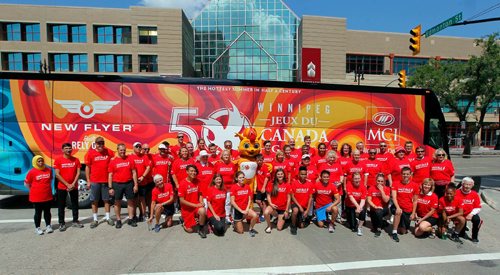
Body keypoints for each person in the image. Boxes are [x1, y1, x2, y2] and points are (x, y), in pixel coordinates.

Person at [85, 136, 115, 228]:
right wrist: (88, 181)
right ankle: (95, 219)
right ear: (95, 144)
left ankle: (107, 217)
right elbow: (87, 167)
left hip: (106, 181)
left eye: (102, 143)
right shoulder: (90, 153)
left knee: (106, 200)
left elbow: (114, 161)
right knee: (94, 201)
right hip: (95, 181)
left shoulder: (109, 152)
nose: (101, 145)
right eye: (99, 143)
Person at [108, 143, 139, 228]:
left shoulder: (130, 159)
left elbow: (134, 172)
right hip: (117, 184)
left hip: (129, 183)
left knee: (130, 202)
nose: (123, 152)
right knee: (117, 202)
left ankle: (131, 219)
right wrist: (110, 187)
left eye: (124, 150)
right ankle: (118, 220)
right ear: (117, 150)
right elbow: (110, 175)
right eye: (121, 150)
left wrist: (135, 184)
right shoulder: (113, 161)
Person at [54, 143, 83, 231]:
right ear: (62, 150)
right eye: (66, 148)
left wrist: (73, 183)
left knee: (75, 204)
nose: (68, 150)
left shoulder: (76, 160)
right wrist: (67, 184)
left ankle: (75, 221)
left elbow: (78, 173)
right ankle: (62, 223)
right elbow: (57, 174)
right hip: (62, 186)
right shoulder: (58, 160)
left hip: (74, 186)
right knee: (61, 205)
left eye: (70, 148)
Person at [25, 155, 53, 235]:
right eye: (39, 161)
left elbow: (50, 180)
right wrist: (32, 190)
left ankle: (48, 226)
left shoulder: (48, 170)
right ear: (35, 162)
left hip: (47, 195)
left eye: (42, 161)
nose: (41, 163)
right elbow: (26, 184)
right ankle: (37, 228)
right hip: (36, 197)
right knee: (38, 212)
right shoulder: (32, 172)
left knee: (47, 212)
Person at [178, 165, 207, 238]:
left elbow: (200, 193)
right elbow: (181, 201)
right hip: (186, 209)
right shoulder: (182, 183)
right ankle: (183, 221)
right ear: (187, 172)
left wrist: (201, 202)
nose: (193, 173)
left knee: (203, 211)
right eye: (191, 171)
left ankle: (201, 228)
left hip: (196, 207)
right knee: (190, 230)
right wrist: (196, 205)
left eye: (194, 171)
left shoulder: (197, 181)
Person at [391, 167, 419, 242]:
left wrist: (413, 213)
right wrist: (397, 207)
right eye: (403, 174)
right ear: (401, 174)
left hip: (408, 209)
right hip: (398, 207)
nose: (405, 175)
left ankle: (400, 225)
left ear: (410, 175)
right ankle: (394, 232)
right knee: (398, 212)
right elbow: (394, 197)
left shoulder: (415, 185)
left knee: (403, 231)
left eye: (407, 174)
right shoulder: (395, 183)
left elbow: (415, 201)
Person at [264, 169, 292, 233]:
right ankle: (269, 226)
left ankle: (281, 217)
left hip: (283, 208)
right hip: (274, 206)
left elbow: (289, 198)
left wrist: (287, 210)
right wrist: (271, 204)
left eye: (281, 174)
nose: (280, 175)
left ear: (284, 175)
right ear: (276, 175)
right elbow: (268, 195)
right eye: (278, 174)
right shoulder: (271, 183)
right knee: (266, 212)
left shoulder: (287, 184)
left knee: (279, 228)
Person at [230, 171, 258, 236]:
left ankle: (251, 229)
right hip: (237, 210)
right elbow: (232, 202)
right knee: (240, 232)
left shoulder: (247, 186)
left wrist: (247, 209)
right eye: (240, 178)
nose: (242, 179)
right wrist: (241, 211)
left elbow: (249, 199)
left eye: (243, 177)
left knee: (255, 216)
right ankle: (235, 223)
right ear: (236, 179)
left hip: (245, 208)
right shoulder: (233, 187)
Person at [455, 177, 482, 243]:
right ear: (462, 184)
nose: (467, 186)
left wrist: (471, 214)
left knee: (477, 220)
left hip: (470, 213)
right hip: (460, 213)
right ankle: (460, 230)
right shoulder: (456, 192)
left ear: (472, 185)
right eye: (466, 184)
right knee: (461, 234)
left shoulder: (474, 194)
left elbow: (478, 207)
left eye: (469, 185)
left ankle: (474, 237)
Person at [130, 141, 152, 222]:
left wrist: (143, 176)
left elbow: (148, 167)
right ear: (133, 148)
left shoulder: (144, 157)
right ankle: (134, 215)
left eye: (140, 147)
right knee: (134, 199)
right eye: (137, 147)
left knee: (142, 199)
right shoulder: (130, 157)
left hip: (142, 181)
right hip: (133, 182)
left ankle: (142, 214)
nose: (138, 148)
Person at [214, 150, 237, 224]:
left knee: (229, 202)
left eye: (227, 155)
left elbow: (235, 175)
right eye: (224, 155)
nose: (226, 156)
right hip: (221, 187)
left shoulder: (233, 165)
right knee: (221, 202)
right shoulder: (218, 165)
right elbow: (214, 175)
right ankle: (221, 216)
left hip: (231, 187)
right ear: (222, 156)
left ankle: (228, 216)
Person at [290, 166, 314, 235]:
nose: (303, 176)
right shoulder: (294, 183)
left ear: (307, 175)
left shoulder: (310, 184)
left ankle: (305, 219)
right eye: (302, 174)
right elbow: (292, 196)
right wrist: (299, 206)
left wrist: (307, 210)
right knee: (295, 211)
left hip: (304, 206)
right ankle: (293, 226)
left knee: (301, 226)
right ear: (298, 174)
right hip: (296, 204)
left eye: (305, 174)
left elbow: (310, 198)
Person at [255, 154, 271, 222]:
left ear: (263, 160)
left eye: (260, 160)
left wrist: (264, 187)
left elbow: (267, 178)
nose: (259, 162)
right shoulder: (256, 167)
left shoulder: (265, 167)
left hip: (265, 187)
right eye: (258, 160)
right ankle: (264, 211)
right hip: (258, 187)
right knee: (257, 201)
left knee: (264, 202)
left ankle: (264, 214)